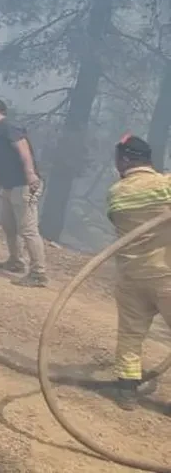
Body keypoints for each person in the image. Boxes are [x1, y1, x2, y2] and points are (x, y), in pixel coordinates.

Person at [105, 134, 171, 410]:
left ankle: (127, 389)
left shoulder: (116, 193)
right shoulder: (165, 185)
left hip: (131, 276)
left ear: (125, 159)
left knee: (131, 334)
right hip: (165, 274)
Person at [0, 98, 48, 288]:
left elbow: (23, 149)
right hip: (8, 186)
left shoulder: (8, 126)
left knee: (28, 229)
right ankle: (15, 261)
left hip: (23, 185)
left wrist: (30, 174)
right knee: (10, 227)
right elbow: (2, 161)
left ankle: (38, 273)